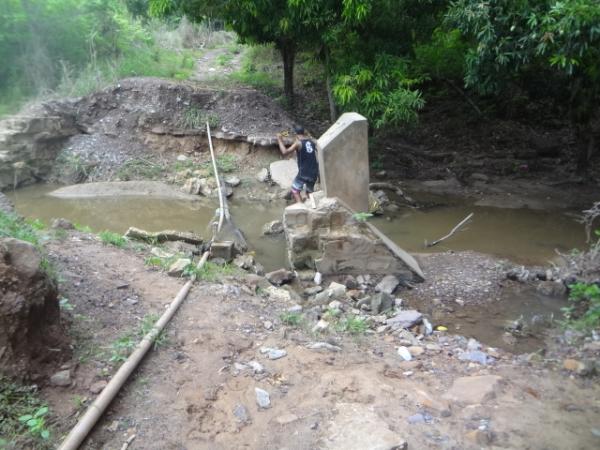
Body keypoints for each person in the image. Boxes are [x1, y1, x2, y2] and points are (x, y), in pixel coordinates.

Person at [276, 125, 319, 203]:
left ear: (296, 134)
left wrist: (279, 140)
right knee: (309, 192)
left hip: (304, 172)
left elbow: (284, 152)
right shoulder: (311, 141)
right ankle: (313, 207)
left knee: (295, 189)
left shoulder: (298, 143)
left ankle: (301, 207)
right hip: (314, 172)